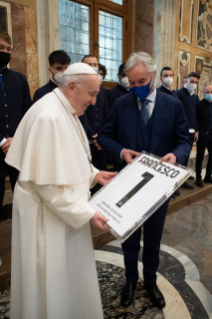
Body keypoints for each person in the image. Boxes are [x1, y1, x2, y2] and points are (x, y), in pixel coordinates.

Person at [5, 62, 116, 319]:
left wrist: (94, 174)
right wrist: (86, 212)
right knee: (49, 283)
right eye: (91, 94)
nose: (94, 100)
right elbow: (48, 185)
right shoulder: (49, 116)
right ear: (72, 87)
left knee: (67, 278)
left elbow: (69, 157)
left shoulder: (64, 108)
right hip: (47, 216)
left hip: (60, 211)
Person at [98, 52, 191, 309]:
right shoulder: (121, 104)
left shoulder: (173, 105)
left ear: (153, 74)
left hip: (158, 187)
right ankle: (130, 280)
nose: (137, 88)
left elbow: (183, 140)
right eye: (132, 83)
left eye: (141, 82)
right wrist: (121, 151)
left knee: (153, 237)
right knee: (128, 237)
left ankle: (150, 280)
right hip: (128, 184)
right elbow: (104, 137)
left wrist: (176, 155)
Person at [0, 30, 32, 221]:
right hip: (2, 147)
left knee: (23, 200)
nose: (5, 51)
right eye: (1, 48)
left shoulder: (19, 79)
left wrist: (16, 139)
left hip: (17, 147)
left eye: (8, 48)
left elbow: (28, 113)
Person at [82, 55, 109, 177]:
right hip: (85, 140)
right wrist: (92, 135)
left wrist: (103, 135)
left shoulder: (102, 91)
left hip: (101, 141)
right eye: (89, 65)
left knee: (101, 173)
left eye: (95, 65)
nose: (93, 67)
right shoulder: (78, 88)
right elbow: (79, 115)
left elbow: (106, 114)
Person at [157, 66, 180, 198]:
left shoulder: (175, 94)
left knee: (172, 163)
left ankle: (171, 186)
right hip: (163, 134)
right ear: (160, 78)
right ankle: (164, 190)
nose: (169, 78)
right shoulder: (158, 93)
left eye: (171, 75)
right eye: (166, 75)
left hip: (174, 133)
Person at [177, 72, 200, 189]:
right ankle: (177, 181)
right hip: (181, 131)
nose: (194, 84)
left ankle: (183, 180)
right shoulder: (179, 93)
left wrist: (196, 131)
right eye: (192, 81)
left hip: (191, 132)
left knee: (186, 156)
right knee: (179, 156)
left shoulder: (195, 97)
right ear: (187, 81)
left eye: (196, 82)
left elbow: (196, 115)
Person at [195, 84, 212, 187]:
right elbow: (195, 119)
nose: (209, 94)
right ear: (204, 92)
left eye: (211, 92)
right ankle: (198, 178)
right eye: (208, 92)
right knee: (200, 157)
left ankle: (208, 176)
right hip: (202, 135)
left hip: (211, 135)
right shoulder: (199, 105)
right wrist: (197, 132)